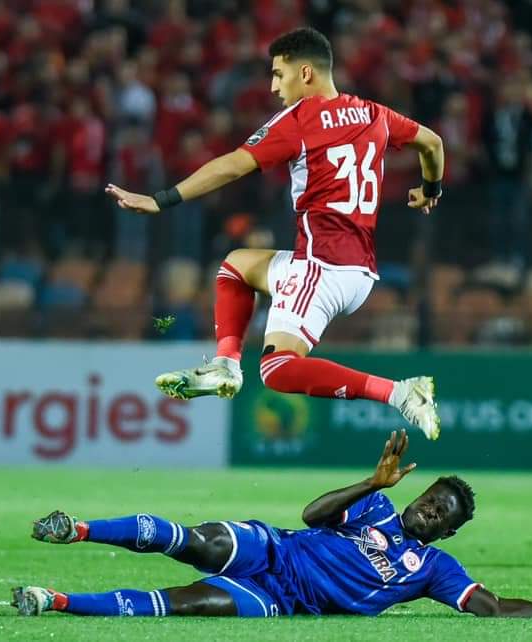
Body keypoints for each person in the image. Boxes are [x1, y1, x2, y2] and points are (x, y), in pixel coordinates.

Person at [105, 27, 443, 438]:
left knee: (277, 369)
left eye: (279, 74)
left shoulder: (301, 120)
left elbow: (232, 165)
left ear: (305, 73)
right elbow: (432, 144)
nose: (273, 86)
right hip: (358, 270)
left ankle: (400, 392)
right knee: (237, 266)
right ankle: (225, 365)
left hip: (322, 267)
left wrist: (161, 200)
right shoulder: (374, 114)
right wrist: (430, 190)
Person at [11, 430, 532, 620]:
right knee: (194, 541)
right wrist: (372, 482)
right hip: (273, 549)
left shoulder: (433, 568)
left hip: (283, 600)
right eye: (430, 500)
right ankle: (79, 529)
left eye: (439, 516)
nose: (428, 510)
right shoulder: (376, 506)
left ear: (446, 533)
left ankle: (55, 601)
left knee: (189, 604)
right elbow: (312, 515)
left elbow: (495, 608)